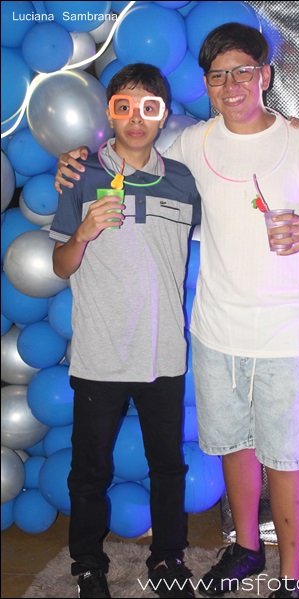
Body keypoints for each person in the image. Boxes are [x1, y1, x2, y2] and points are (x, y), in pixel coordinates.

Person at [55, 22, 299, 599]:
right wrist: (75, 160)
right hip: (216, 330)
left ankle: (291, 580)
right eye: (218, 76)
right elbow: (131, 150)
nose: (231, 84)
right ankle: (246, 549)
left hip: (287, 332)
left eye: (243, 71)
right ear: (207, 85)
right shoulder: (193, 144)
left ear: (265, 75)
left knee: (286, 457)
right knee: (233, 447)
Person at [49, 63, 201, 599]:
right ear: (109, 113)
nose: (136, 118)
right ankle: (88, 566)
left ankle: (167, 560)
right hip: (100, 352)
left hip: (164, 353)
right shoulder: (80, 175)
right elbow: (60, 266)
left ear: (163, 116)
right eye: (124, 106)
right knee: (90, 471)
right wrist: (83, 233)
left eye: (148, 108)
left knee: (168, 467)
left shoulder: (183, 181)